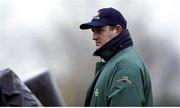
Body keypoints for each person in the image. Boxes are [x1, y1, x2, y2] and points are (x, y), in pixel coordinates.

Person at [79, 7, 153, 106]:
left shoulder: (126, 66)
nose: (94, 37)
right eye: (93, 31)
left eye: (99, 30)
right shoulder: (116, 62)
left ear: (117, 30)